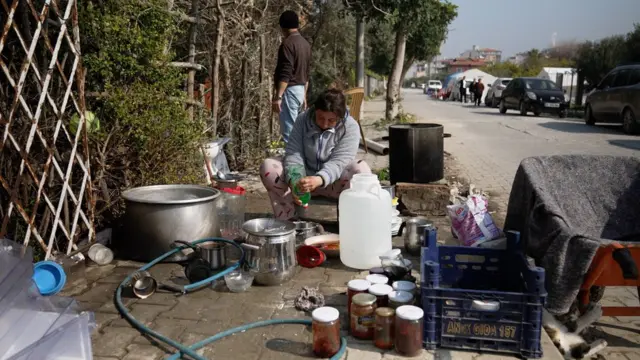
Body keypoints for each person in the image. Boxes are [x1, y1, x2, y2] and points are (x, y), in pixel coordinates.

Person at [260, 89, 371, 220]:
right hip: (304, 182)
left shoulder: (350, 127)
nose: (324, 124)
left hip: (334, 183)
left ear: (340, 117)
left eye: (331, 120)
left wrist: (319, 179)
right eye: (320, 118)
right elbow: (294, 153)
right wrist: (296, 181)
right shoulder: (302, 120)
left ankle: (349, 223)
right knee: (269, 167)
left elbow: (340, 161)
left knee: (361, 170)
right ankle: (287, 220)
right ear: (315, 111)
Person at [272, 10, 312, 144]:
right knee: (299, 132)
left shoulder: (287, 44)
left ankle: (294, 165)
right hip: (300, 90)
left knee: (290, 135)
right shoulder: (305, 44)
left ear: (282, 26)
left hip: (290, 91)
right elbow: (306, 73)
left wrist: (278, 96)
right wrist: (304, 96)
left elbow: (286, 72)